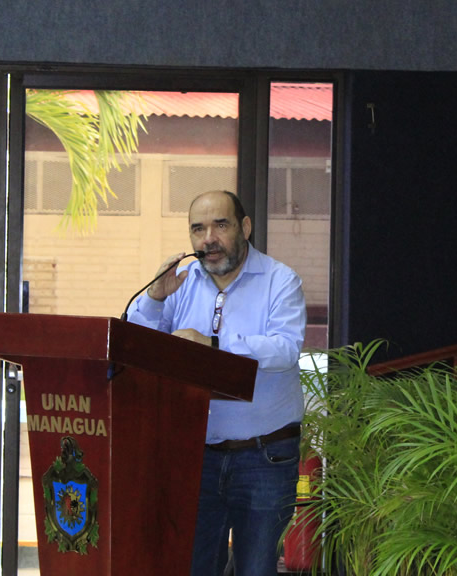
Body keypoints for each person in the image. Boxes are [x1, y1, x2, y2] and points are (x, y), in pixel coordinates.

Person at [124, 189, 306, 576]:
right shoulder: (182, 282)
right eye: (198, 229)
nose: (208, 239)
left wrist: (215, 346)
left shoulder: (281, 281)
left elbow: (285, 349)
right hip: (194, 456)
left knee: (255, 569)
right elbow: (137, 346)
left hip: (265, 457)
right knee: (191, 566)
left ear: (245, 227)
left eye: (220, 225)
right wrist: (155, 298)